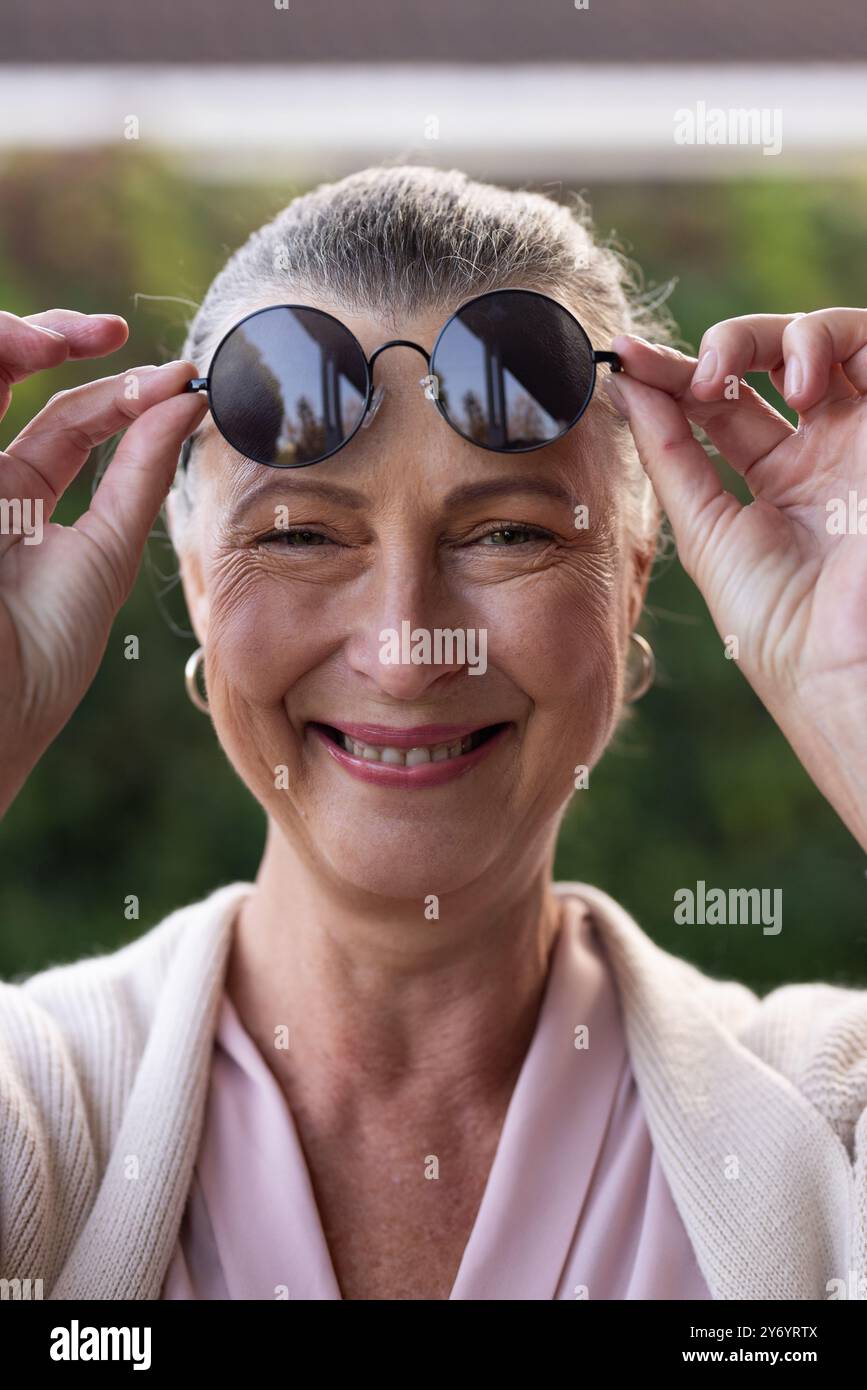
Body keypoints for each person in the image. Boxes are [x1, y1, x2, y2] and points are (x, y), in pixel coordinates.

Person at [1, 166, 865, 1301]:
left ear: (635, 579)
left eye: (506, 532)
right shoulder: (39, 1115)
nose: (409, 653)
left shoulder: (824, 1127)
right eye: (304, 537)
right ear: (200, 584)